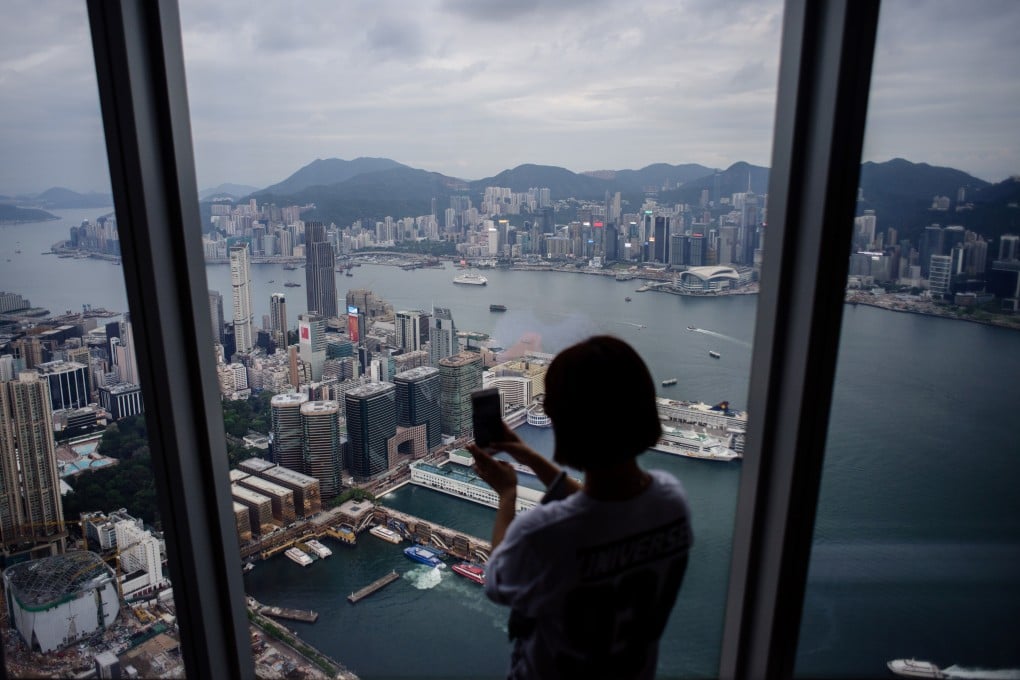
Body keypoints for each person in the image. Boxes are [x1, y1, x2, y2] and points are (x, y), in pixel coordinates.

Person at [468, 335, 693, 679]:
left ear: (570, 422)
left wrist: (508, 494)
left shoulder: (544, 532)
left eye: (552, 404)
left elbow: (497, 581)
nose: (545, 409)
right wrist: (528, 456)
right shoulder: (671, 501)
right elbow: (603, 504)